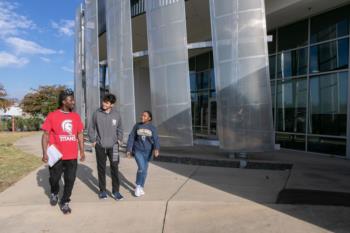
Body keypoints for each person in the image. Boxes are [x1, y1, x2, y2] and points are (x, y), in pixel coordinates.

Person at [41, 88, 85, 215]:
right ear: (63, 101)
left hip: (71, 156)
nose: (73, 101)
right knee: (54, 179)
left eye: (73, 99)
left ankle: (65, 201)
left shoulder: (75, 117)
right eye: (71, 99)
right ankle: (54, 192)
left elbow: (80, 134)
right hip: (56, 155)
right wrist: (44, 153)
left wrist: (82, 151)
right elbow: (45, 135)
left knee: (70, 180)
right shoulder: (52, 116)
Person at [88, 94, 124, 200]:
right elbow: (91, 128)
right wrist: (93, 140)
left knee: (115, 167)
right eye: (103, 101)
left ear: (112, 104)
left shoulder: (117, 114)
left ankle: (116, 191)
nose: (104, 104)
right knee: (101, 168)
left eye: (107, 103)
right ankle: (102, 191)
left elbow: (120, 128)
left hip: (114, 147)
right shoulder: (97, 113)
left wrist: (119, 139)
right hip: (100, 146)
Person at [126, 111, 160, 197]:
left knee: (144, 170)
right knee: (141, 168)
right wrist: (129, 149)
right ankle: (137, 186)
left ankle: (141, 186)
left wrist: (156, 149)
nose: (142, 117)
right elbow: (131, 137)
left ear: (149, 118)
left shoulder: (153, 128)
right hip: (138, 150)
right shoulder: (137, 126)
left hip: (148, 152)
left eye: (144, 116)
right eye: (142, 115)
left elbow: (156, 139)